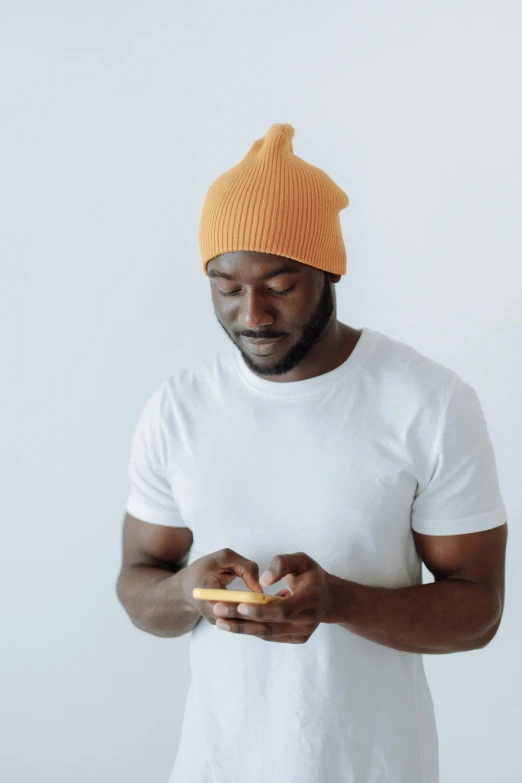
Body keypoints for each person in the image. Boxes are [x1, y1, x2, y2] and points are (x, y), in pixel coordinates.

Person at [116, 123, 508, 783]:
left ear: (328, 269)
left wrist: (338, 602)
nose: (253, 314)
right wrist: (188, 591)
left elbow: (479, 612)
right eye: (227, 286)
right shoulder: (178, 408)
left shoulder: (429, 401)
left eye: (280, 282)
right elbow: (137, 580)